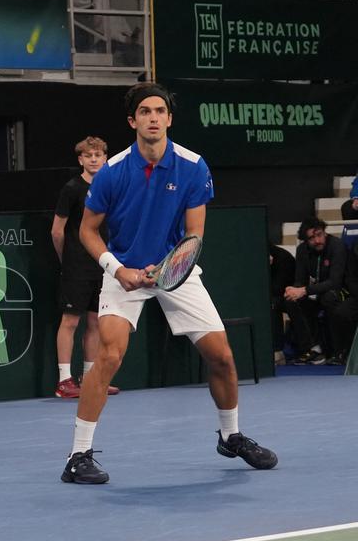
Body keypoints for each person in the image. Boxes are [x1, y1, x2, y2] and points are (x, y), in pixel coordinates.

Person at [61, 82, 277, 485]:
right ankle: (77, 456)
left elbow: (194, 235)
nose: (153, 118)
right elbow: (88, 232)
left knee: (223, 357)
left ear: (170, 119)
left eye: (160, 111)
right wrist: (117, 269)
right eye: (145, 112)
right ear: (133, 120)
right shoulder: (111, 173)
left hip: (175, 271)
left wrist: (168, 271)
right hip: (125, 271)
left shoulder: (193, 166)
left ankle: (230, 436)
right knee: (108, 355)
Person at [50, 136, 117, 398]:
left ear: (105, 158)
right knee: (70, 321)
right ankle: (64, 381)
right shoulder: (71, 189)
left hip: (102, 265)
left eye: (98, 155)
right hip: (76, 265)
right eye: (88, 156)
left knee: (95, 322)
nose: (93, 159)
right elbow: (57, 231)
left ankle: (90, 379)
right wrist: (66, 259)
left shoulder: (109, 189)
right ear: (80, 160)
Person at [284, 217, 349, 365]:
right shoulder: (302, 250)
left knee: (328, 297)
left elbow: (335, 281)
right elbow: (300, 279)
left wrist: (305, 290)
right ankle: (313, 349)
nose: (318, 240)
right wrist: (294, 290)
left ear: (324, 232)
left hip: (341, 292)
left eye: (319, 234)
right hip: (316, 292)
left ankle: (338, 351)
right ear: (305, 240)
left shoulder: (337, 246)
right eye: (312, 238)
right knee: (290, 300)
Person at [268, 242, 296, 365]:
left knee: (273, 304)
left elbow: (277, 289)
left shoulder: (283, 258)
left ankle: (277, 351)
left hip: (289, 296)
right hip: (274, 295)